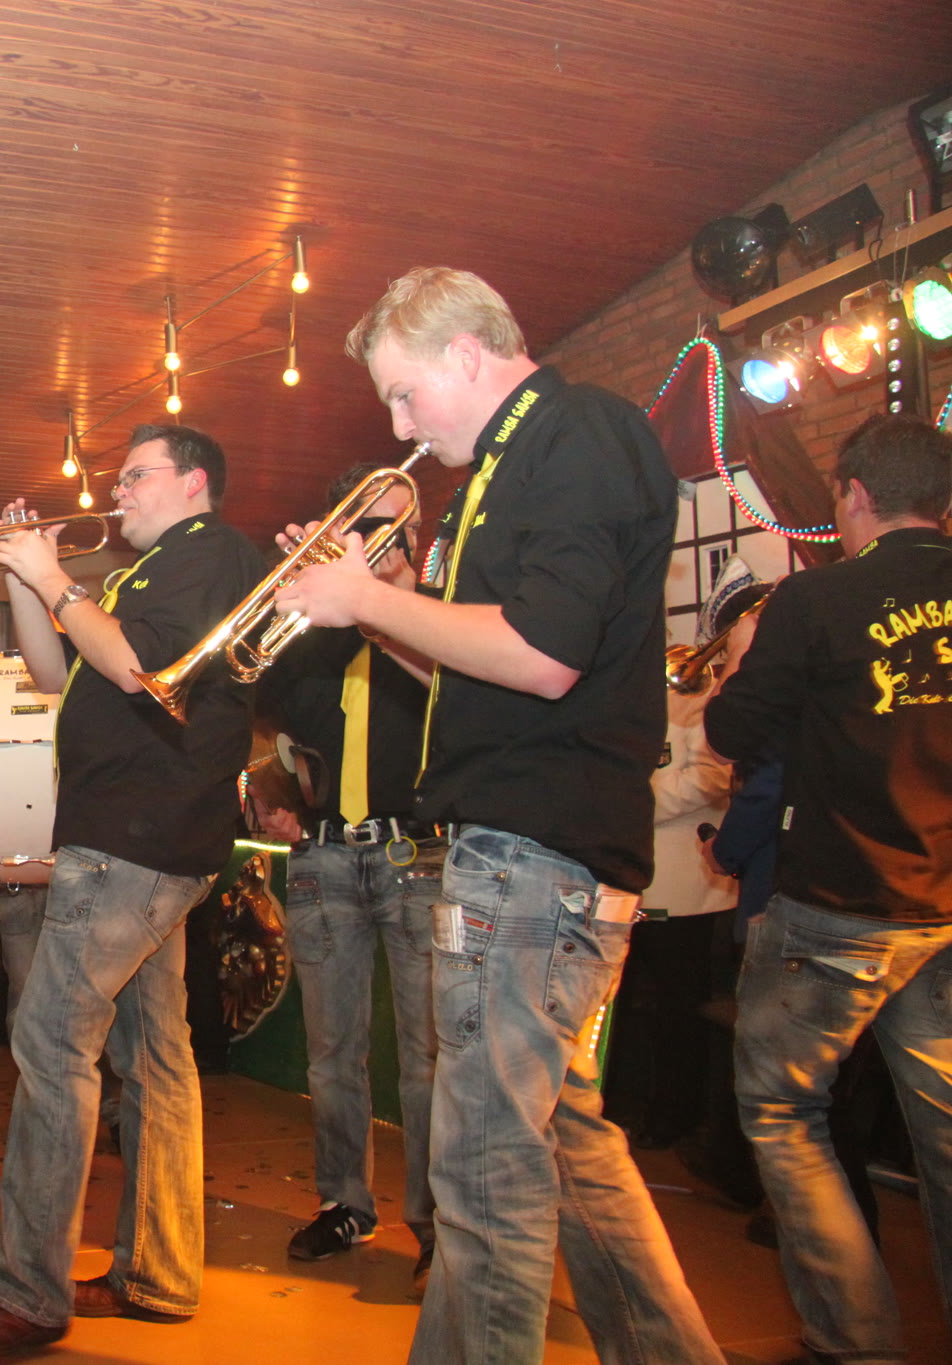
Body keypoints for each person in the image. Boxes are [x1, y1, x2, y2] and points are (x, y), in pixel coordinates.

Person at [275, 267, 722, 1364]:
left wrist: (368, 596)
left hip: (532, 858)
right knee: (566, 1146)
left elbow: (545, 658)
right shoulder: (516, 462)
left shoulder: (573, 433)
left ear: (465, 355)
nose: (399, 427)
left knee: (481, 1177)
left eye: (403, 394)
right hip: (537, 854)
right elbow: (478, 676)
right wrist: (368, 610)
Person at [0, 423, 265, 1355]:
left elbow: (134, 669)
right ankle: (158, 1272)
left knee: (49, 1043)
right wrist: (26, 577)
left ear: (193, 481)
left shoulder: (208, 554)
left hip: (134, 838)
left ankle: (26, 1295)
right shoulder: (144, 574)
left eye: (135, 475)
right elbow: (55, 672)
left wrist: (58, 578)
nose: (118, 493)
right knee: (155, 1056)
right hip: (142, 839)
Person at [705, 413, 952, 1363]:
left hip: (836, 904)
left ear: (854, 495)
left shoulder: (816, 599)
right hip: (946, 908)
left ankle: (855, 1342)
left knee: (784, 1111)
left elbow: (730, 731)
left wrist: (746, 658)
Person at [260, 463, 441, 1293]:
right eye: (371, 524)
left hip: (419, 855)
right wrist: (288, 602)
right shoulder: (317, 622)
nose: (389, 538)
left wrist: (384, 599)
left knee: (427, 1058)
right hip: (327, 855)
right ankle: (345, 1202)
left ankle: (437, 1223)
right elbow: (270, 718)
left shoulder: (442, 615)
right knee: (332, 1054)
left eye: (401, 523)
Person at [603, 560, 755, 1152]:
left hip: (683, 886)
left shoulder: (700, 687)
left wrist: (629, 800)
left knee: (678, 1008)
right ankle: (618, 1107)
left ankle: (673, 1118)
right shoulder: (617, 688)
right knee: (620, 1005)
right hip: (623, 875)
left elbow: (714, 778)